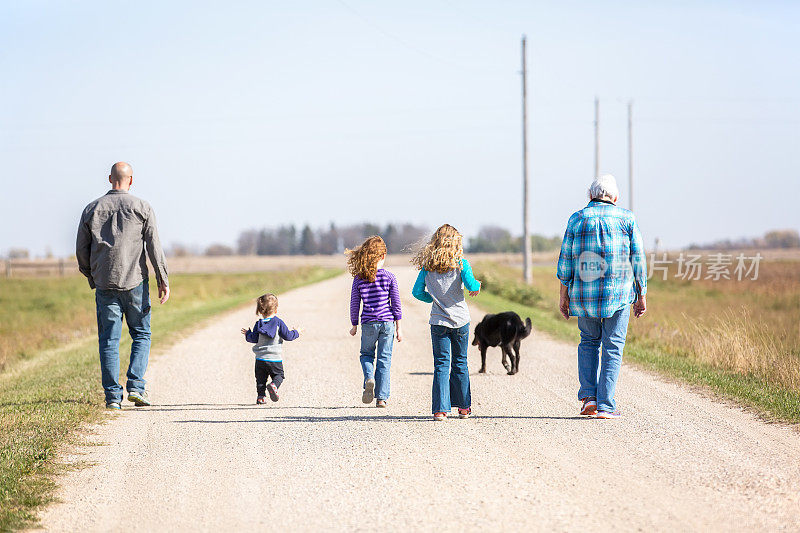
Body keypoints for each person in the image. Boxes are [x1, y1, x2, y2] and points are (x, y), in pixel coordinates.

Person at [76, 162, 169, 410]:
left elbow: (81, 251)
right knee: (141, 334)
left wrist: (91, 275)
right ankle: (136, 387)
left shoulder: (91, 209)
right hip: (136, 282)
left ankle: (113, 398)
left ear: (109, 179)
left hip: (105, 283)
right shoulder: (143, 207)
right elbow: (154, 247)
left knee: (108, 340)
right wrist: (163, 280)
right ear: (131, 180)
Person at [556, 174, 648, 419]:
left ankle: (589, 399)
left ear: (590, 195)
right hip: (618, 295)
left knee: (588, 342)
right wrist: (642, 294)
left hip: (584, 295)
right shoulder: (627, 218)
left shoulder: (576, 219)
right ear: (615, 198)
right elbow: (637, 259)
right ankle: (606, 406)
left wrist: (563, 296)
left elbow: (566, 261)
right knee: (613, 347)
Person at [411, 224, 481, 421]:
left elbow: (417, 292)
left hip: (438, 321)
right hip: (460, 321)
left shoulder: (427, 266)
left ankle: (440, 410)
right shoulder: (461, 264)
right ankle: (464, 408)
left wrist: (433, 299)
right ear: (455, 243)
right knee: (460, 363)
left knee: (441, 364)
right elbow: (471, 285)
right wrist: (478, 286)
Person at [347, 236, 402, 408]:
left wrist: (354, 324)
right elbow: (396, 304)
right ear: (383, 256)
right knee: (384, 359)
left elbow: (355, 303)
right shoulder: (390, 277)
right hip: (387, 323)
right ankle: (382, 398)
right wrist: (399, 328)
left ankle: (369, 377)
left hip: (369, 323)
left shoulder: (359, 278)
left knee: (366, 355)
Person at [241, 293, 302, 404]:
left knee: (260, 380)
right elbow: (288, 336)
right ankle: (274, 385)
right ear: (276, 310)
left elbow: (253, 339)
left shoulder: (258, 324)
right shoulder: (278, 322)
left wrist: (248, 333)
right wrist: (297, 332)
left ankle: (261, 397)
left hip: (260, 359)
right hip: (275, 359)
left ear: (260, 310)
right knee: (279, 375)